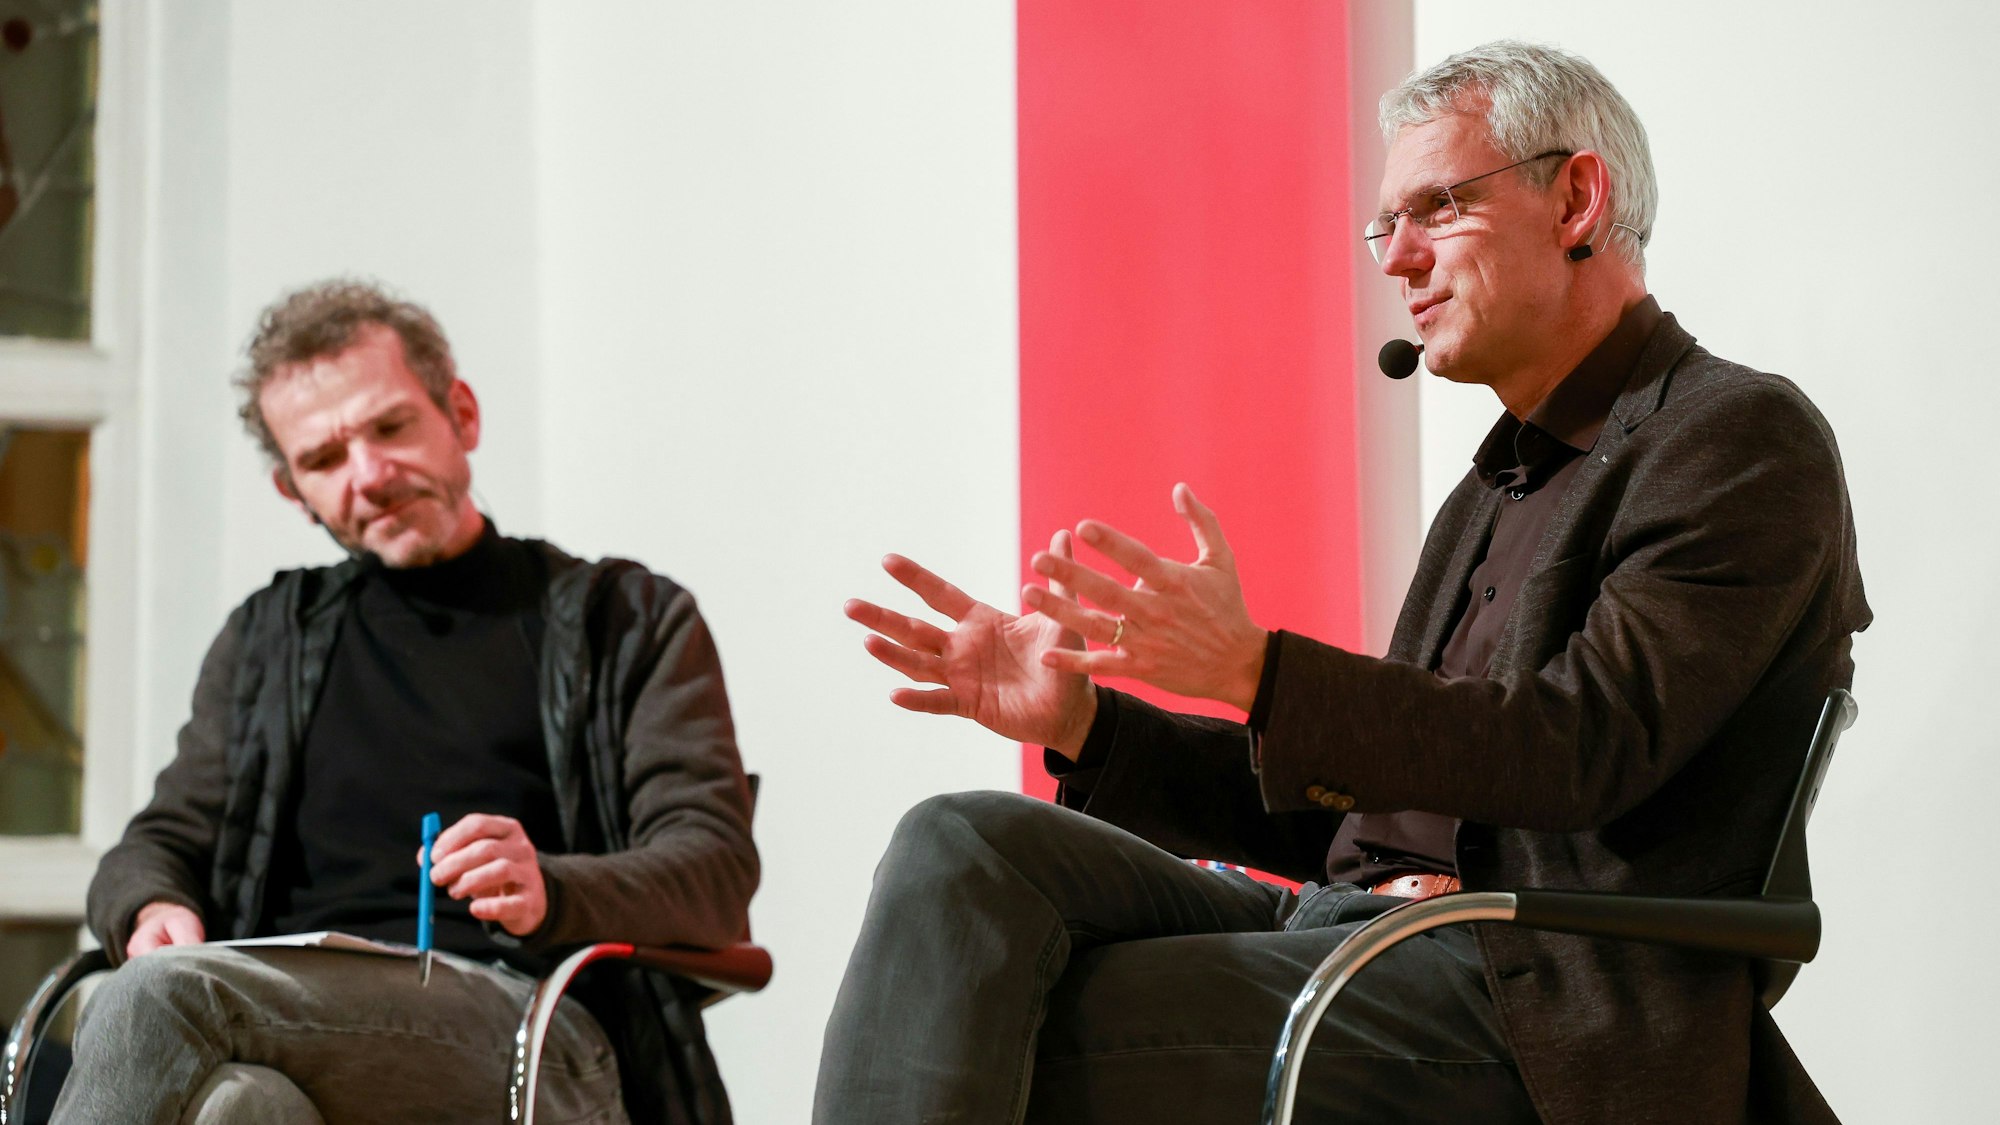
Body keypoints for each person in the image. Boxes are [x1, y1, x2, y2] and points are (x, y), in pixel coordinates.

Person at [815, 40, 1868, 1125]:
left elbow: (1576, 749)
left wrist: (1260, 672)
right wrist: (1088, 725)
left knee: (1017, 1012)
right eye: (1383, 224)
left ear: (1575, 200)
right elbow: (1360, 814)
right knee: (962, 845)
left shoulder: (1733, 438)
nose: (1394, 258)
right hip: (1352, 932)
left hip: (1534, 999)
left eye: (1437, 207)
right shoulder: (1489, 490)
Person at [55, 280, 759, 1125]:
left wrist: (551, 888)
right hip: (281, 1011)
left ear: (460, 414)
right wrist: (152, 905)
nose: (371, 475)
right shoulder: (267, 640)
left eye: (391, 428)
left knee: (154, 999)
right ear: (293, 490)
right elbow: (159, 842)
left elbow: (714, 869)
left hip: (537, 1037)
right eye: (323, 460)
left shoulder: (625, 620)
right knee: (237, 1105)